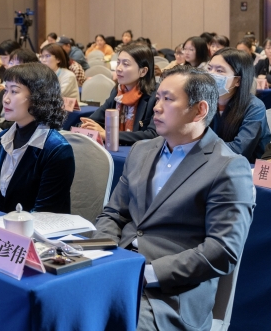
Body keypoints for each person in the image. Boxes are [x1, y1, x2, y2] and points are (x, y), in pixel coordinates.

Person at [94, 66, 255, 331]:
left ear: (199, 110)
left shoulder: (228, 166)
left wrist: (146, 274)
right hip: (117, 269)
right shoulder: (141, 150)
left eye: (168, 99)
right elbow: (114, 213)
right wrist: (106, 257)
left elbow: (222, 250)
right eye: (158, 98)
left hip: (169, 294)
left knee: (108, 322)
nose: (156, 108)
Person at [0, 63, 75, 214]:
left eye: (14, 91)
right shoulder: (2, 139)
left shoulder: (57, 149)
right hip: (1, 226)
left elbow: (44, 213)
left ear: (38, 97)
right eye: (6, 90)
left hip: (37, 227)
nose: (5, 99)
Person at [80, 43, 158, 145]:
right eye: (118, 63)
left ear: (143, 71)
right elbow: (95, 119)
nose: (118, 68)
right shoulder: (118, 92)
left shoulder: (157, 96)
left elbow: (153, 135)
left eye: (126, 64)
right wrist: (85, 126)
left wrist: (109, 135)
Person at [207, 48, 271, 162]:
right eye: (209, 68)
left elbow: (239, 150)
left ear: (238, 81)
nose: (211, 74)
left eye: (219, 70)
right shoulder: (203, 102)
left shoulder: (254, 107)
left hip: (245, 167)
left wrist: (202, 148)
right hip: (210, 164)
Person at [0, 48, 40, 129]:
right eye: (11, 62)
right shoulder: (3, 93)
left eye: (18, 63)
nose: (12, 66)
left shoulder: (32, 93)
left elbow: (15, 123)